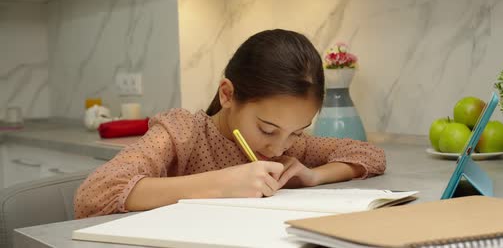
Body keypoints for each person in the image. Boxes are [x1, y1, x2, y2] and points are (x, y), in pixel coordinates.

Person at [74, 29, 386, 218]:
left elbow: (369, 155)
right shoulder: (181, 133)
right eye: (266, 129)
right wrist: (223, 183)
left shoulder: (287, 145)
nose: (277, 147)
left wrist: (312, 177)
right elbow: (93, 196)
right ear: (227, 94)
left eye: (296, 133)